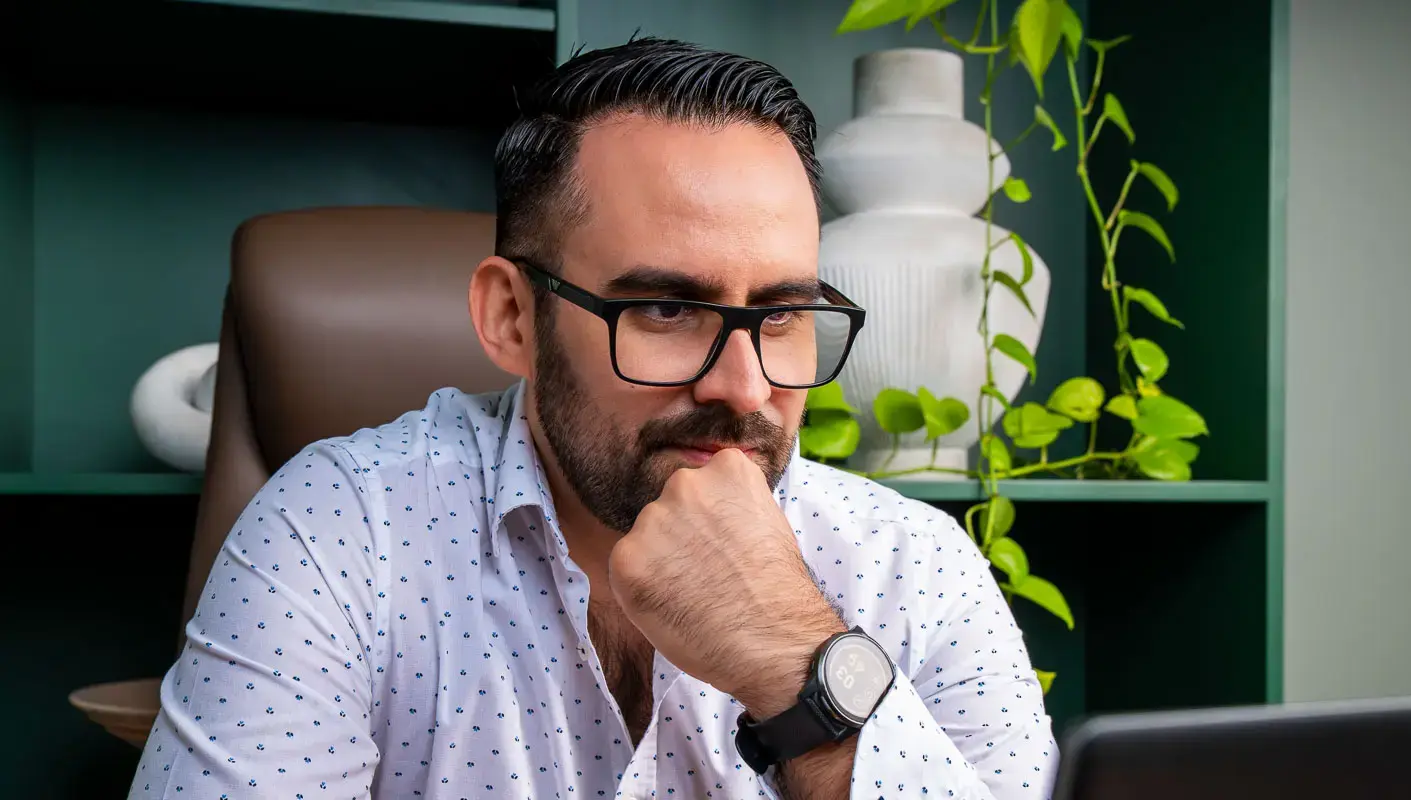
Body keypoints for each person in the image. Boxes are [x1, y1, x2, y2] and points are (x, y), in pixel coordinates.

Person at [127, 36, 1057, 800]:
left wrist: (795, 666)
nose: (742, 387)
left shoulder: (915, 564)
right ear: (512, 318)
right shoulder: (339, 532)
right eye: (663, 310)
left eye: (780, 315)